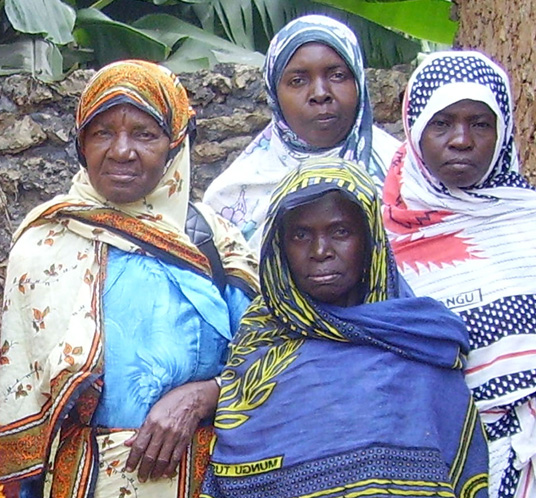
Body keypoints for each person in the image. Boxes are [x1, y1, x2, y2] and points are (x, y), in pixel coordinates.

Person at [0, 59, 259, 498]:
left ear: (176, 143)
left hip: (202, 480)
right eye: (102, 133)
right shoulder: (42, 244)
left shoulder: (214, 241)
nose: (121, 151)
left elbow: (270, 357)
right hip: (76, 481)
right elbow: (20, 399)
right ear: (81, 145)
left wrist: (205, 395)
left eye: (144, 133)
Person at [382, 50, 536, 498]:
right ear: (414, 130)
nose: (461, 140)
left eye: (480, 124)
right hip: (423, 472)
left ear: (503, 131)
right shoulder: (381, 240)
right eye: (441, 123)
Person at [200, 157, 489, 498]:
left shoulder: (418, 341)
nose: (320, 251)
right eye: (300, 235)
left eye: (340, 232)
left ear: (370, 241)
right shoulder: (259, 344)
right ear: (279, 247)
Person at [202, 14, 400, 252]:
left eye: (337, 76)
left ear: (358, 81)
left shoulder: (407, 176)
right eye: (297, 81)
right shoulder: (230, 196)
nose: (320, 93)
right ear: (274, 93)